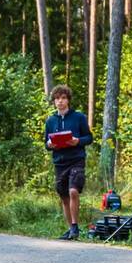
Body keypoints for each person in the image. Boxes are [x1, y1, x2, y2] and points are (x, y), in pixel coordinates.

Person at [44, 85, 93, 240]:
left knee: (73, 191)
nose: (60, 101)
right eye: (57, 98)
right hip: (60, 162)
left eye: (63, 98)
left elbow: (89, 138)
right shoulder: (50, 120)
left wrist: (77, 140)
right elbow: (46, 142)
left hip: (76, 160)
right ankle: (70, 228)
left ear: (68, 100)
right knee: (64, 196)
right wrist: (49, 145)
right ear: (54, 102)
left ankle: (75, 227)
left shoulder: (79, 117)